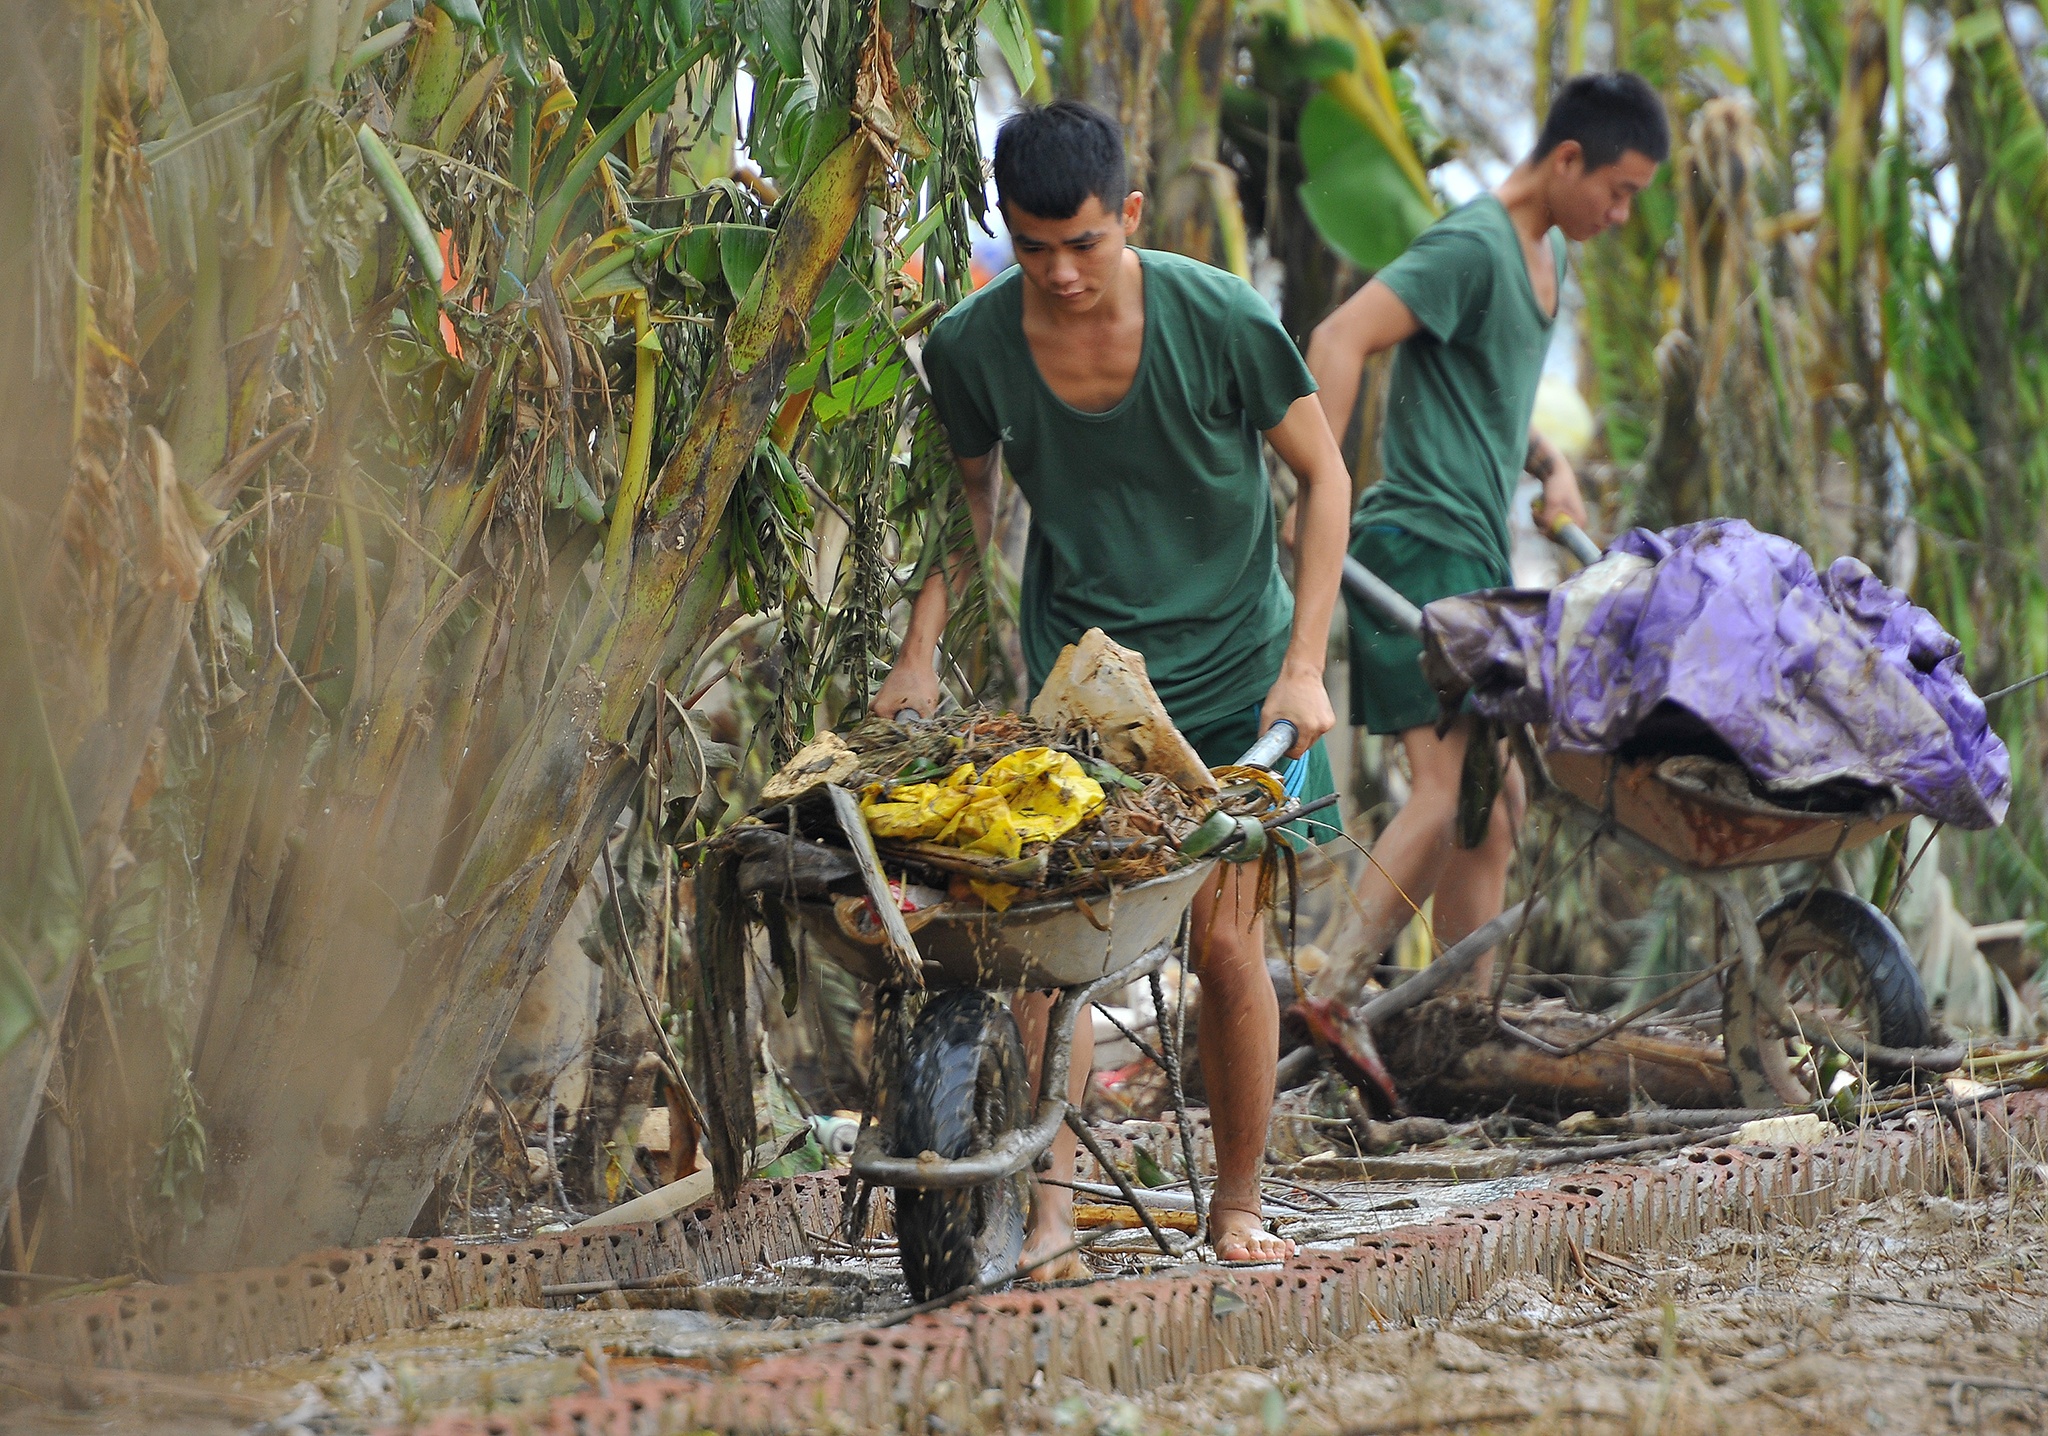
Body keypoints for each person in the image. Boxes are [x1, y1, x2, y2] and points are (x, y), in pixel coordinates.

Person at [871, 100, 1353, 1269]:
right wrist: (918, 648)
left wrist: (1302, 666)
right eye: (1030, 247)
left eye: (1081, 244)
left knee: (1227, 940)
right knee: (1057, 952)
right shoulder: (978, 346)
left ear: (1128, 217)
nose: (1056, 271)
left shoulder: (1221, 321)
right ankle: (1047, 1218)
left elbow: (1324, 479)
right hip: (1086, 686)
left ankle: (1236, 1204)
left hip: (1237, 669)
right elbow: (966, 502)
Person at [1304, 72, 1669, 986]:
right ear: (1567, 158)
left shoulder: (1547, 257)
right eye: (1618, 190)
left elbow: (1490, 399)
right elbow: (1339, 338)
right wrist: (1325, 493)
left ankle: (1463, 1030)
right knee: (1442, 793)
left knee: (1491, 808)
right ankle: (1328, 981)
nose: (1622, 214)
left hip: (1473, 556)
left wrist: (1551, 463)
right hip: (1416, 545)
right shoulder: (1474, 243)